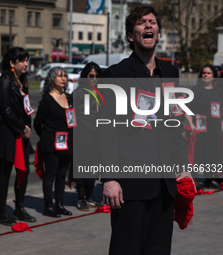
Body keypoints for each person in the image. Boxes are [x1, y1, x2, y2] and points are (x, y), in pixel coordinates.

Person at [100, 5, 193, 254]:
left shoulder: (171, 73)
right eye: (142, 23)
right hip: (130, 186)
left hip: (164, 184)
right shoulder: (115, 74)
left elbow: (175, 127)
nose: (149, 25)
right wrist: (109, 178)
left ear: (159, 34)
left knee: (159, 249)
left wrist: (183, 169)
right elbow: (106, 130)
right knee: (126, 248)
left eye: (153, 22)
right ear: (131, 35)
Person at [0, 47, 36, 225]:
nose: (26, 64)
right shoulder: (4, 81)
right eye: (22, 60)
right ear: (12, 63)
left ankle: (19, 208)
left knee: (23, 171)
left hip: (21, 133)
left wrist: (28, 126)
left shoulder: (22, 81)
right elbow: (6, 110)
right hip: (8, 133)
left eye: (26, 60)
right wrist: (22, 128)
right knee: (5, 172)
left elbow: (26, 109)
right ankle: (2, 212)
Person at [34, 67, 73, 218]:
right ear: (51, 79)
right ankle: (48, 206)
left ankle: (60, 204)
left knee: (62, 175)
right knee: (50, 175)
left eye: (65, 76)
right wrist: (46, 137)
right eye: (59, 76)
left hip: (67, 143)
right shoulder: (47, 100)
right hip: (51, 143)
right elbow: (38, 123)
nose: (63, 78)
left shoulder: (70, 98)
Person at [185, 64, 223, 189]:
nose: (205, 75)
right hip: (199, 128)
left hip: (215, 129)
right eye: (204, 73)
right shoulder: (195, 90)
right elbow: (186, 109)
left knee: (213, 153)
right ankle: (194, 179)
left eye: (208, 73)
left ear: (214, 76)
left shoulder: (218, 91)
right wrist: (191, 124)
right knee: (198, 154)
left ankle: (209, 179)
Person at [72, 62, 103, 211]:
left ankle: (90, 198)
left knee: (93, 166)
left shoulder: (101, 92)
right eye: (91, 76)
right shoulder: (78, 93)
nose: (94, 79)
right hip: (83, 134)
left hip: (97, 134)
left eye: (97, 76)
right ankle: (81, 199)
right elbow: (73, 114)